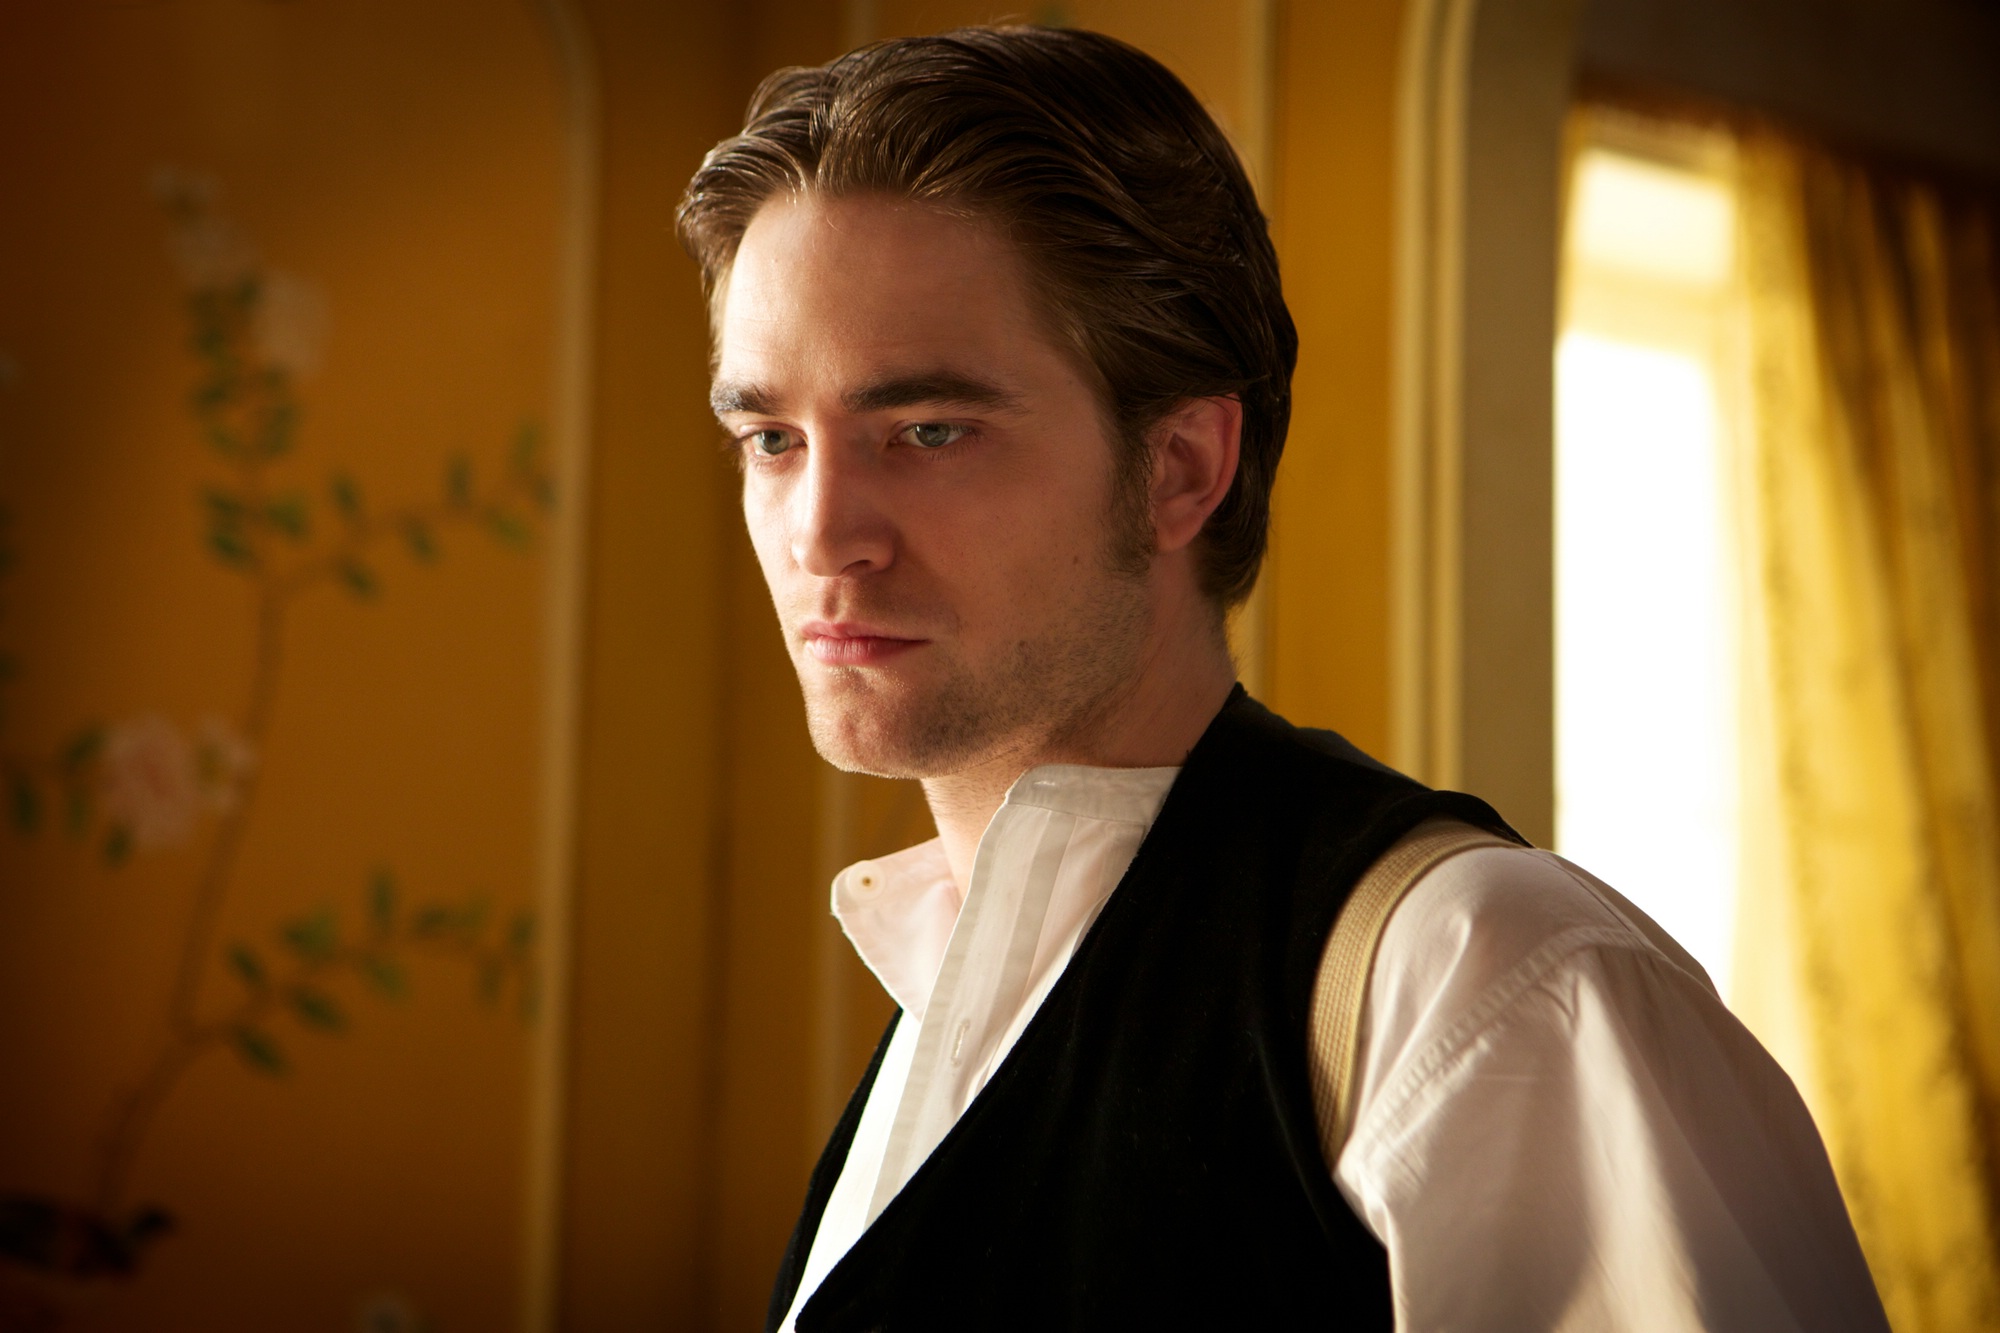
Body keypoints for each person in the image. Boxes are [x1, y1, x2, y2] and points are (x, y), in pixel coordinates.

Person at [677, 25, 1888, 1333]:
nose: (819, 535)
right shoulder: (942, 995)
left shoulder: (1483, 990)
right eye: (771, 438)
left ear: (1183, 467)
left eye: (927, 430)